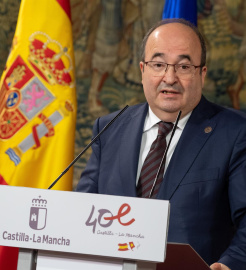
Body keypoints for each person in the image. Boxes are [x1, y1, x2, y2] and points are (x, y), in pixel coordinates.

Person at [76, 18, 246, 270]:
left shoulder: (235, 132)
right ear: (143, 69)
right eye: (158, 64)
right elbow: (82, 211)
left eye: (184, 67)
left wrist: (229, 264)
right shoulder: (109, 128)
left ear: (202, 73)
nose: (170, 77)